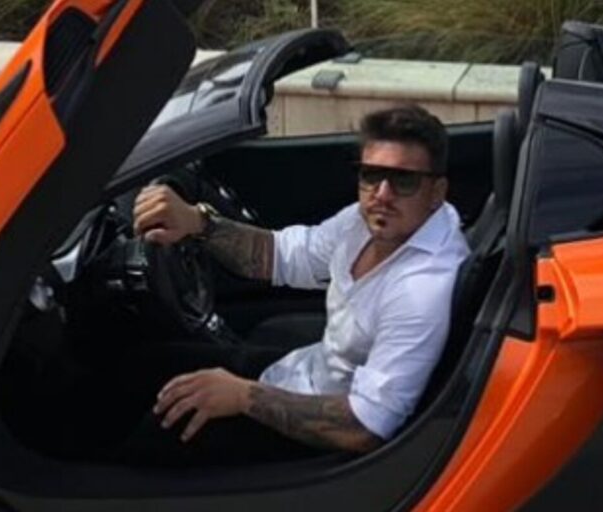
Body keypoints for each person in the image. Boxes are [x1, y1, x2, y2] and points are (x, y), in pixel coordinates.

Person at [124, 104, 470, 466]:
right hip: (301, 374)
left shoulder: (420, 290)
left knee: (154, 437)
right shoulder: (367, 223)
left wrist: (242, 396)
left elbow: (366, 427)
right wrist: (198, 223)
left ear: (437, 191)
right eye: (371, 175)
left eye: (403, 180)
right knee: (142, 365)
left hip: (321, 438)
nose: (382, 193)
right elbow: (282, 256)